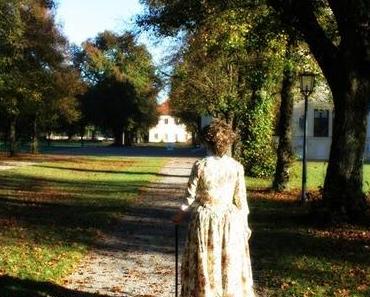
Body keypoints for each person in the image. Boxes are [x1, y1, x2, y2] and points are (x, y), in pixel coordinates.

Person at [173, 119, 255, 297]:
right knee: (228, 263)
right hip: (229, 221)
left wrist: (179, 215)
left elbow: (189, 197)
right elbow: (241, 201)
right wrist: (245, 226)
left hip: (205, 221)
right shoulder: (236, 167)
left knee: (206, 261)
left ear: (207, 142)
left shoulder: (201, 166)